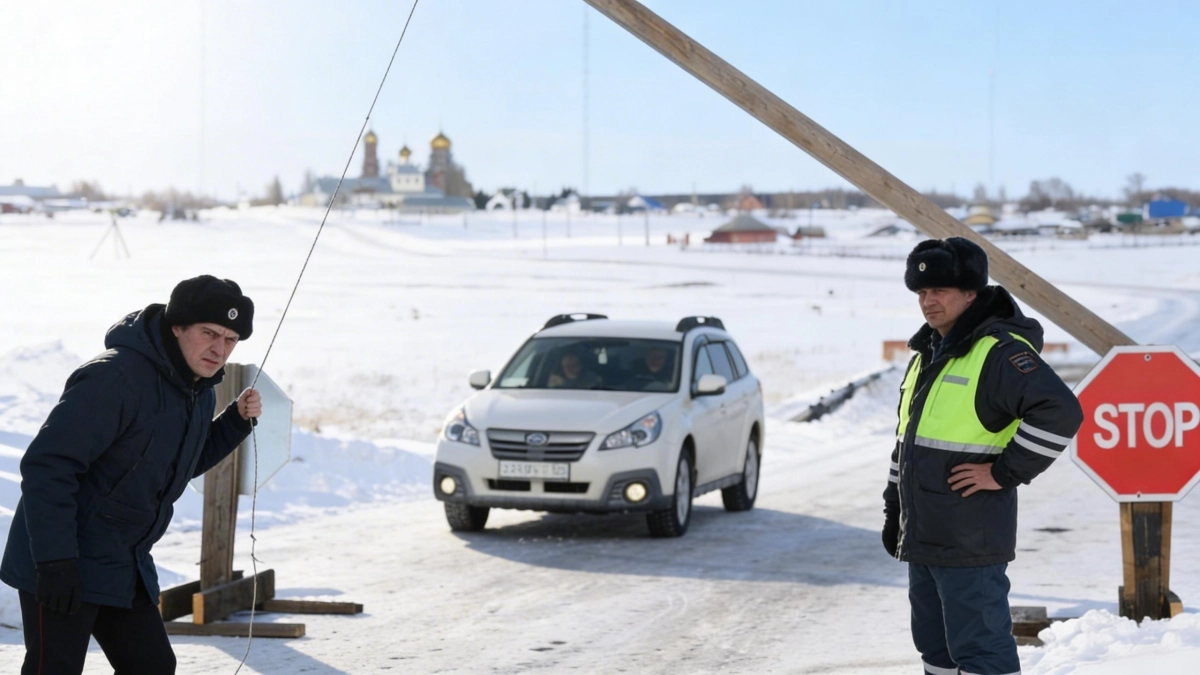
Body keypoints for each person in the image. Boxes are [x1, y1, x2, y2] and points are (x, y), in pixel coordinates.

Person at [1, 275, 263, 675]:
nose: (219, 349)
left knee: (153, 666)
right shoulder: (115, 378)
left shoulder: (198, 390)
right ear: (178, 326)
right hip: (62, 557)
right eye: (209, 333)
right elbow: (47, 466)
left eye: (230, 339)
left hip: (123, 562)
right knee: (53, 668)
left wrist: (232, 424)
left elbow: (177, 466)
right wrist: (55, 562)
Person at [883, 238, 1083, 675]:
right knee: (935, 650)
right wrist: (893, 506)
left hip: (970, 537)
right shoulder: (928, 354)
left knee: (981, 652)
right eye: (921, 293)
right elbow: (909, 443)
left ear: (970, 293)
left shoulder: (996, 351)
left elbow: (1061, 412)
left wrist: (1003, 472)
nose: (928, 302)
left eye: (939, 291)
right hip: (923, 534)